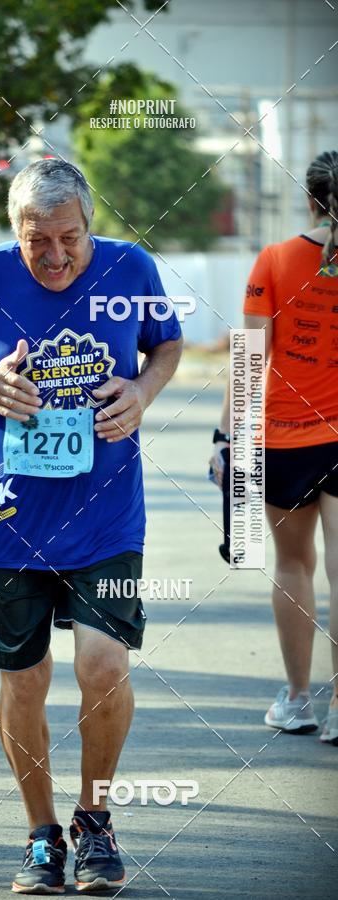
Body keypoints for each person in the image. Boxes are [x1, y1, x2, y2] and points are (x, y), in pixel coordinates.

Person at [0, 159, 183, 894]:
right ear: (17, 232)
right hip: (5, 517)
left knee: (103, 667)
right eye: (41, 242)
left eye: (71, 238)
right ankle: (41, 836)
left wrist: (143, 389)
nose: (58, 256)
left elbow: (166, 345)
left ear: (90, 226)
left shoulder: (132, 270)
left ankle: (95, 821)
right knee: (24, 677)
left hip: (106, 515)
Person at [211, 150, 338, 747]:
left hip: (284, 439)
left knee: (293, 566)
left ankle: (298, 700)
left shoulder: (276, 260)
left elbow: (247, 364)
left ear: (310, 198)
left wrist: (225, 439)